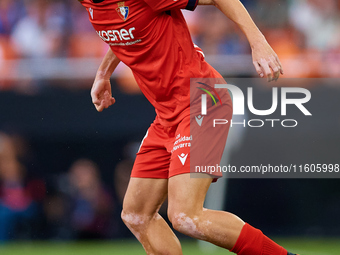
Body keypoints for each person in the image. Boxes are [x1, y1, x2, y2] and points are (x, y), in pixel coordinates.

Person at [78, 0, 297, 254]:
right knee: (136, 214)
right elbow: (126, 30)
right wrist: (103, 73)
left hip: (203, 101)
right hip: (166, 116)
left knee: (185, 215)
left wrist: (258, 42)